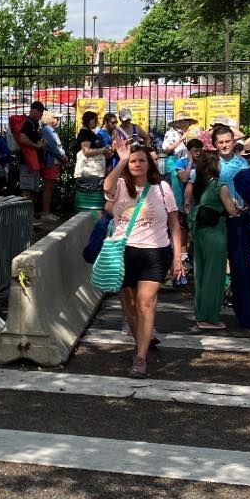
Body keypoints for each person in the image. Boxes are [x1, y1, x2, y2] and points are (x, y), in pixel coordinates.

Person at [103, 135, 183, 378]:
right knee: (129, 304)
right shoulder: (119, 185)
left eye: (141, 160)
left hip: (155, 252)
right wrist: (121, 160)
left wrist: (178, 257)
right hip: (124, 251)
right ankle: (142, 340)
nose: (137, 164)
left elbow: (174, 223)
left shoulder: (162, 188)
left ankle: (140, 357)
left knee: (145, 302)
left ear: (150, 164)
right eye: (133, 161)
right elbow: (106, 188)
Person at [212, 123, 250, 330]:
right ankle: (208, 314)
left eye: (228, 141)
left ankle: (248, 316)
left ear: (234, 142)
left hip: (238, 219)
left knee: (242, 266)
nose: (224, 145)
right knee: (213, 268)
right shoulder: (210, 163)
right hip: (215, 219)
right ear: (215, 144)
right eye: (220, 142)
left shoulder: (243, 164)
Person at [188, 150, 239, 330]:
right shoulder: (219, 185)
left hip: (200, 233)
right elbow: (232, 211)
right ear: (214, 165)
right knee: (214, 276)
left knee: (201, 275)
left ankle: (201, 314)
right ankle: (210, 318)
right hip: (215, 233)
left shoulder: (199, 185)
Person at [162, 114, 199, 207]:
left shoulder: (192, 132)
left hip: (189, 161)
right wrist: (181, 139)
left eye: (187, 120)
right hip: (174, 160)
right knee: (176, 181)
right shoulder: (171, 133)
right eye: (182, 120)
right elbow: (166, 149)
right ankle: (177, 207)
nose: (185, 122)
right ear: (177, 123)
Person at [17, 100, 46, 206]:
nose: (41, 114)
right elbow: (22, 138)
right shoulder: (28, 123)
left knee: (32, 189)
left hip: (33, 162)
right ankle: (23, 213)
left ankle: (29, 213)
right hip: (27, 162)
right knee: (27, 189)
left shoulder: (34, 124)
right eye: (40, 111)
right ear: (34, 111)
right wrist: (36, 145)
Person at [40, 113, 67, 221]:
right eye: (56, 118)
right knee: (48, 188)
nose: (58, 120)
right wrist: (63, 156)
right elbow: (53, 146)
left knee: (49, 188)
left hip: (53, 162)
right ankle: (45, 213)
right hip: (51, 162)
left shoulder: (50, 130)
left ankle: (47, 212)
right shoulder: (48, 130)